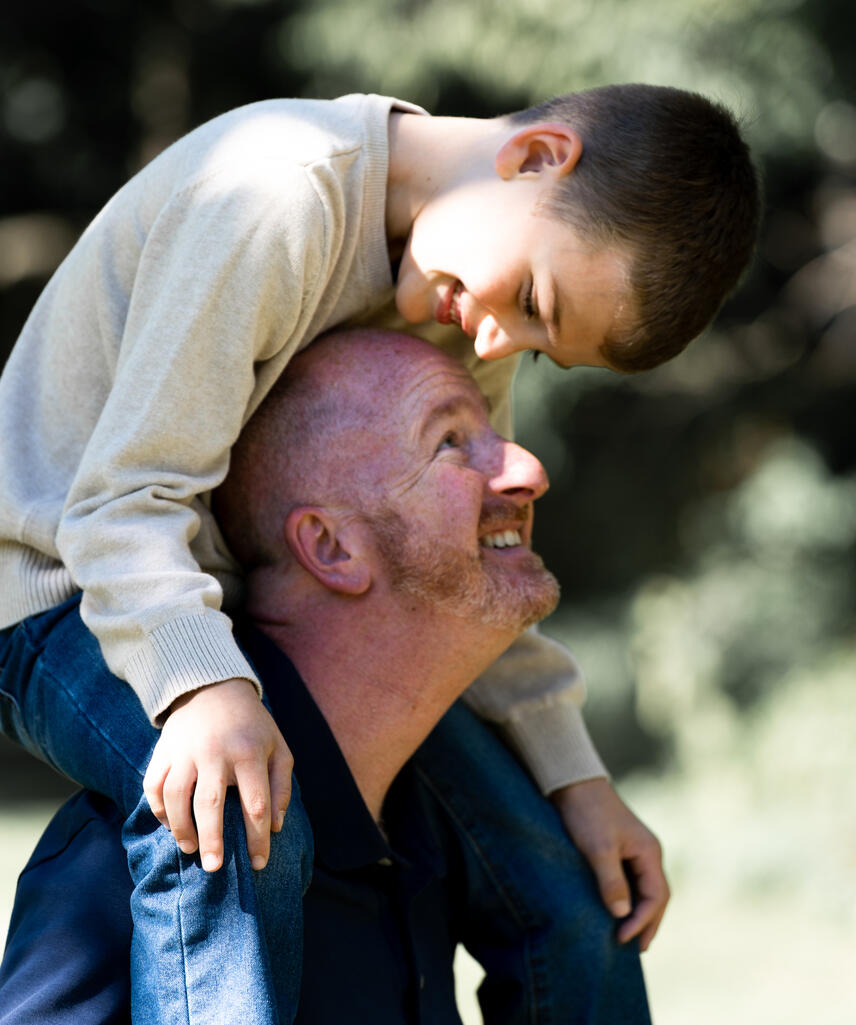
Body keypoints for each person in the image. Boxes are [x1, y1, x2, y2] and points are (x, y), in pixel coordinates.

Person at [0, 83, 758, 1022]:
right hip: (63, 591)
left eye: (538, 343)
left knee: (568, 890)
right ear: (536, 158)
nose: (498, 340)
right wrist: (204, 689)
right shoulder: (275, 197)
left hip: (216, 605)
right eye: (533, 299)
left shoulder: (455, 280)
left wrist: (577, 777)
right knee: (233, 816)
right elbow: (122, 500)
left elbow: (474, 558)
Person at [0, 329, 652, 1025]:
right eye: (451, 442)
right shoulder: (168, 844)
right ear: (330, 547)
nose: (528, 469)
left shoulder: (458, 837)